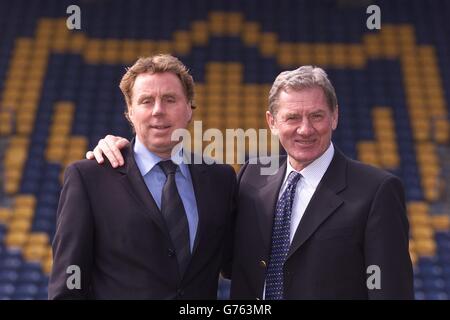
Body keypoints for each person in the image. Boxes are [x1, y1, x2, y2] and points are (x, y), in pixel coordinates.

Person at [88, 66, 414, 299]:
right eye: (292, 117)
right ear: (272, 122)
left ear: (335, 117)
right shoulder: (251, 177)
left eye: (316, 116)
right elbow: (217, 258)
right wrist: (131, 153)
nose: (305, 129)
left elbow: (392, 291)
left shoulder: (376, 190)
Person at [49, 54, 236, 299]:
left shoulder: (221, 179)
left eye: (170, 99)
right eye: (147, 101)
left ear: (189, 108)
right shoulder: (89, 178)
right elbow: (67, 287)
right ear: (130, 111)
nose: (158, 111)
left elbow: (237, 264)